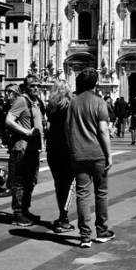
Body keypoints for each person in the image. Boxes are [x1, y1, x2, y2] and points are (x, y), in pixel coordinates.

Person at [66, 67, 114, 248]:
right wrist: (109, 155)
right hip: (97, 155)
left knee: (82, 194)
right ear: (95, 83)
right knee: (101, 193)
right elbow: (103, 130)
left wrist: (73, 149)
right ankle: (102, 231)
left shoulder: (72, 103)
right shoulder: (99, 102)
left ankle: (85, 236)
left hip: (78, 154)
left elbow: (67, 129)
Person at [4, 81, 44, 227]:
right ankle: (18, 213)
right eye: (32, 85)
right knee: (20, 181)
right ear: (26, 87)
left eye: (38, 85)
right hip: (22, 147)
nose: (36, 88)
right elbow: (9, 120)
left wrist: (41, 145)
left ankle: (25, 210)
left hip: (32, 148)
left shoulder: (36, 102)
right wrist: (26, 132)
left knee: (31, 181)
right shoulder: (22, 100)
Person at [44, 79, 76, 233]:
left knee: (58, 183)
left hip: (52, 147)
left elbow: (49, 126)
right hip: (67, 147)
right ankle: (63, 218)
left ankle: (61, 216)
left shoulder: (50, 106)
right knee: (69, 183)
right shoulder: (71, 106)